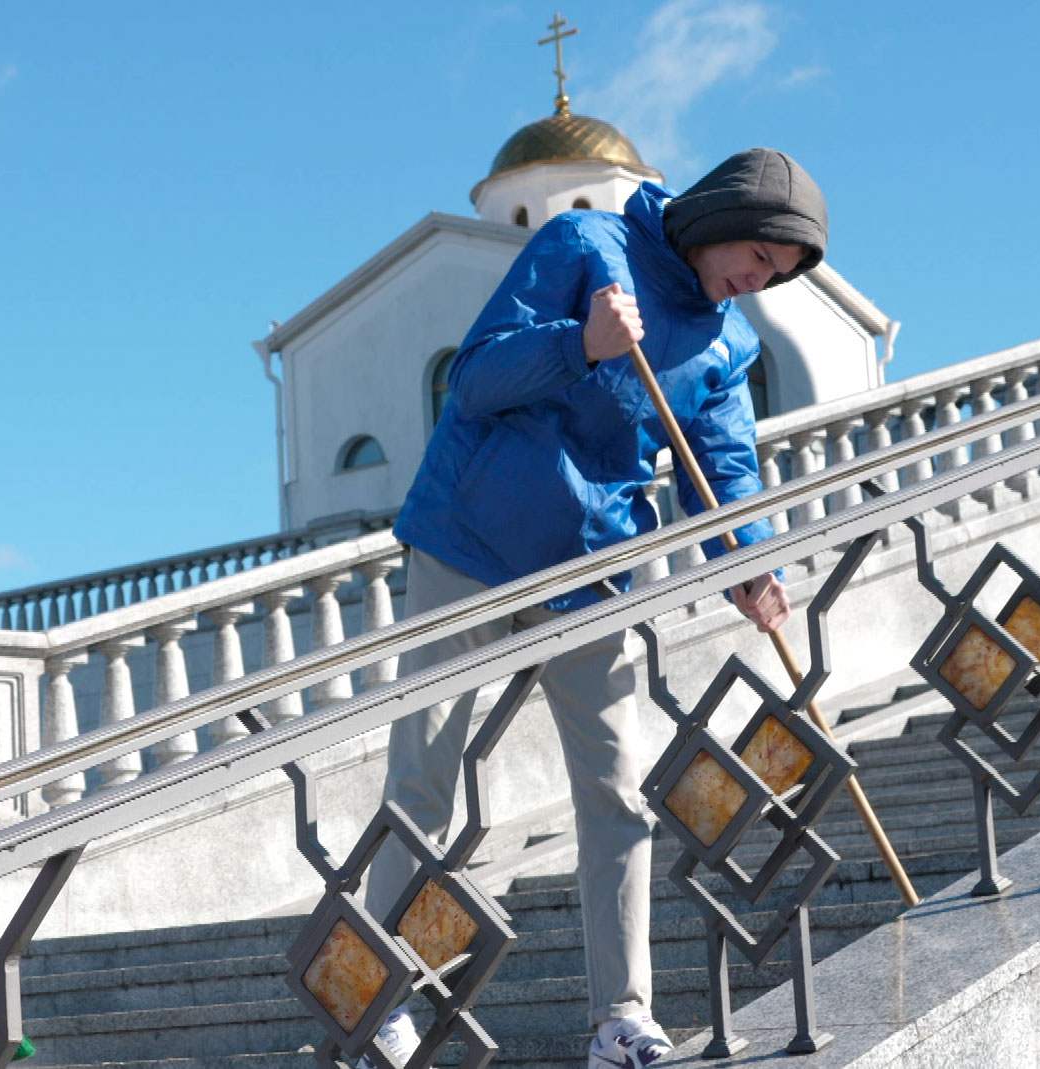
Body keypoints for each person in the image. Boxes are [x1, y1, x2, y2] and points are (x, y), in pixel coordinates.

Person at [372, 148, 824, 1069]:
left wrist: (750, 558)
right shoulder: (584, 242)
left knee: (619, 791)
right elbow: (475, 378)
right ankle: (380, 999)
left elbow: (724, 470)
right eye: (759, 256)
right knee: (424, 773)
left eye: (774, 275)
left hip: (592, 568)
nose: (757, 280)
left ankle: (621, 1015)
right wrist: (580, 343)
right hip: (468, 542)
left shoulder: (726, 341)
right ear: (723, 217)